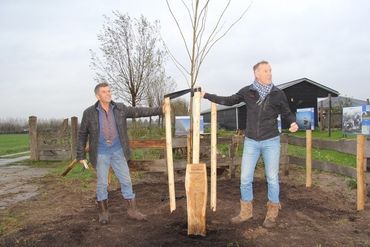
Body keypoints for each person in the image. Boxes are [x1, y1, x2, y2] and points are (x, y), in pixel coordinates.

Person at [202, 61, 298, 228]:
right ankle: (246, 212)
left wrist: (292, 122)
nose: (269, 73)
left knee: (272, 178)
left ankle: (272, 212)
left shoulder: (278, 93)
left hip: (271, 141)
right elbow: (230, 100)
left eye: (270, 70)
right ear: (257, 74)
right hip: (251, 142)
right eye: (266, 71)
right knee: (245, 178)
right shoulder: (248, 92)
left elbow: (286, 112)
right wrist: (206, 95)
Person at [77, 82, 163, 224]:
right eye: (105, 92)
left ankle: (132, 210)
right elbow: (82, 134)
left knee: (126, 180)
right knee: (102, 183)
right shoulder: (89, 113)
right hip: (101, 153)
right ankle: (103, 212)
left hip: (118, 151)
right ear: (98, 95)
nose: (109, 93)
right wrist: (80, 155)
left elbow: (139, 111)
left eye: (109, 91)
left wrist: (160, 110)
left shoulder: (119, 109)